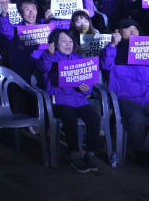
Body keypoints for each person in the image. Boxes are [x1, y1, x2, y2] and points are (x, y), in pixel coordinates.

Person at [99, 19, 149, 166]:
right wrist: (113, 45)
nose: (132, 31)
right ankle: (141, 153)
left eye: (135, 28)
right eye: (127, 28)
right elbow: (105, 66)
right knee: (137, 117)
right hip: (125, 98)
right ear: (119, 32)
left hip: (148, 97)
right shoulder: (113, 50)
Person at [36, 29, 104, 173]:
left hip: (79, 100)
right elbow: (43, 67)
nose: (68, 44)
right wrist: (49, 53)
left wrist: (86, 89)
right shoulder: (49, 57)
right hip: (58, 101)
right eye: (63, 41)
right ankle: (74, 154)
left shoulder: (79, 59)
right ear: (55, 43)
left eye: (70, 41)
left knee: (94, 117)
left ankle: (90, 153)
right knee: (70, 118)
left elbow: (89, 87)